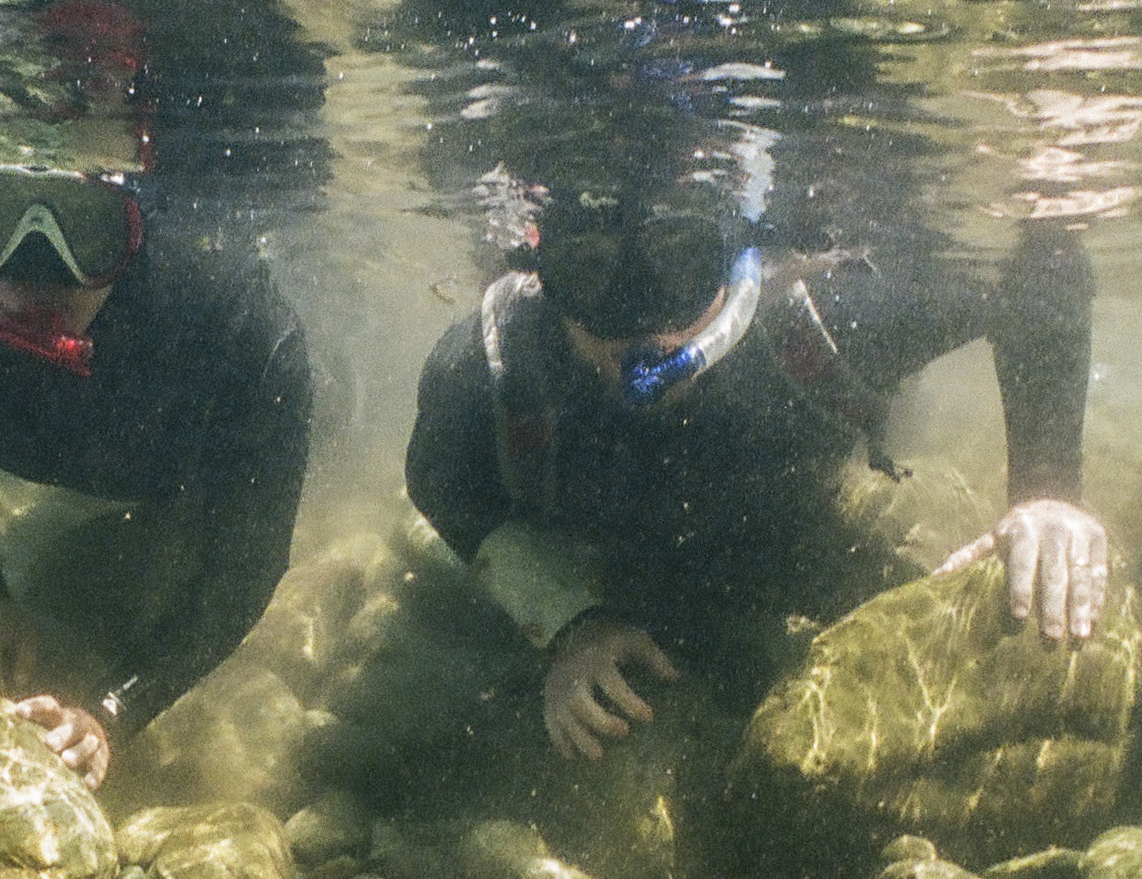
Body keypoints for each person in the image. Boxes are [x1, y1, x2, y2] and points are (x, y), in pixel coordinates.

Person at [406, 165, 1108, 765]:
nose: (642, 324)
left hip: (794, 520)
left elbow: (1043, 270)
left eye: (680, 262)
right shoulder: (489, 373)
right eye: (589, 273)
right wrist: (568, 620)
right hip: (615, 555)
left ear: (734, 252)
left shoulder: (830, 314)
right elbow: (441, 483)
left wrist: (1045, 492)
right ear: (540, 272)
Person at [0, 138, 313, 789]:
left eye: (85, 226)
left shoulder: (234, 318)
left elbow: (251, 560)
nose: (37, 265)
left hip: (176, 473)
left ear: (132, 220)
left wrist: (115, 708)